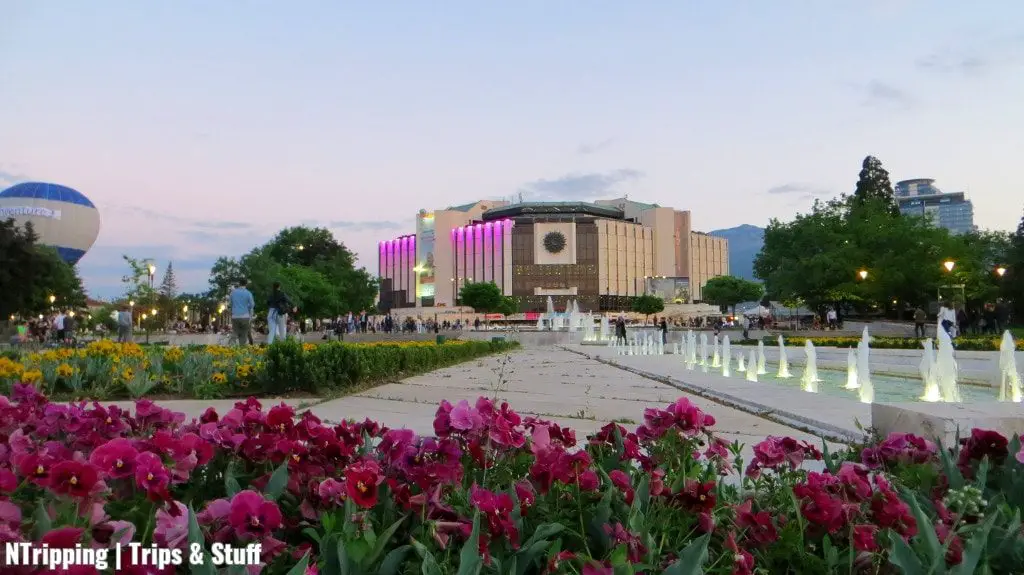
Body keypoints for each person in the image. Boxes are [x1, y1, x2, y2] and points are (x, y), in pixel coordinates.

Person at [229, 279, 255, 346]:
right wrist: (246, 306)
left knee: (235, 332)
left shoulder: (233, 293)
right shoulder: (248, 293)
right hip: (245, 316)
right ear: (246, 284)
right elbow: (252, 305)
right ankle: (242, 350)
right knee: (243, 334)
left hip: (235, 316)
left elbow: (230, 304)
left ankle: (231, 347)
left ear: (239, 283)